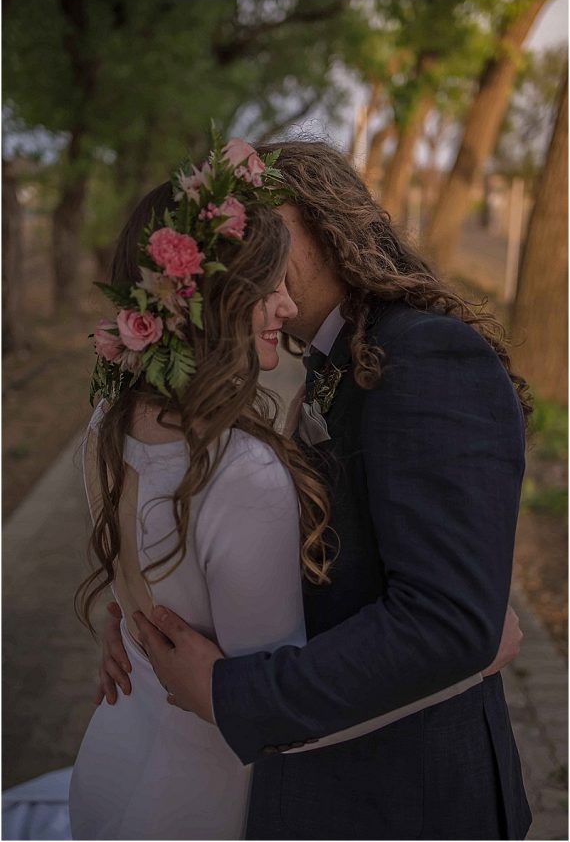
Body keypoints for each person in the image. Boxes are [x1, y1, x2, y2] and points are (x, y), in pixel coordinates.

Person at [70, 134, 509, 841]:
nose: (254, 250)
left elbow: (450, 618)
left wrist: (222, 689)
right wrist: (144, 617)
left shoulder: (426, 355)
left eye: (265, 226)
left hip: (407, 798)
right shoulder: (321, 368)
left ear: (327, 221)